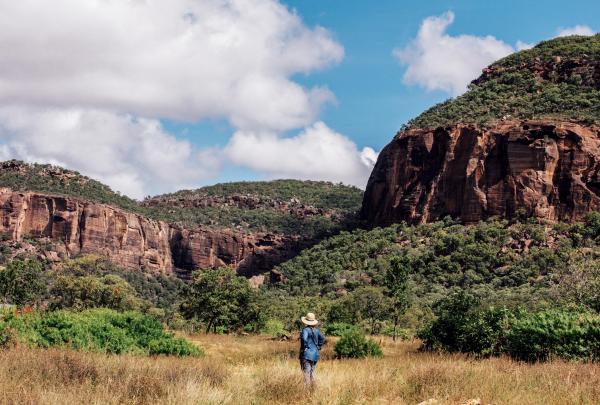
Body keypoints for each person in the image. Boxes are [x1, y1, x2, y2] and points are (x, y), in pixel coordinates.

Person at [299, 312, 325, 388]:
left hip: (306, 355)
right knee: (312, 373)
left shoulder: (305, 330)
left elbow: (304, 338)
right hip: (315, 355)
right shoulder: (317, 330)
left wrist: (306, 347)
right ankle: (313, 389)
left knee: (306, 373)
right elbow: (322, 338)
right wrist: (319, 347)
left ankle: (307, 391)